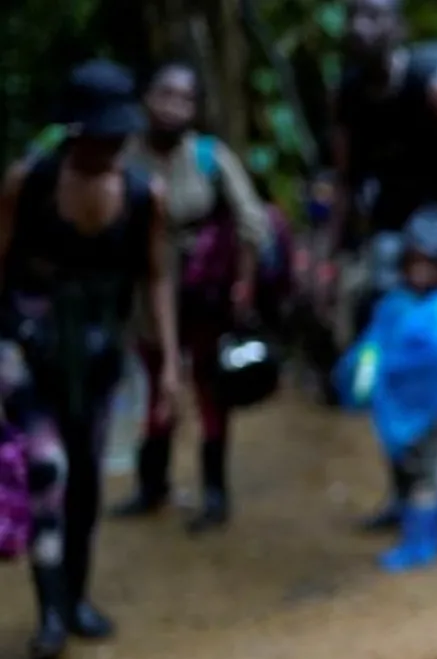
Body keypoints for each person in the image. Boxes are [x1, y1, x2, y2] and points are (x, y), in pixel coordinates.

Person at [0, 60, 180, 659]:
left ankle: (76, 598)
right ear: (75, 132)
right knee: (46, 468)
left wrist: (169, 366)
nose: (112, 146)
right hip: (29, 351)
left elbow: (156, 277)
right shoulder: (28, 183)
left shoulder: (140, 195)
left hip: (101, 356)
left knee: (85, 481)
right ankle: (50, 614)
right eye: (101, 134)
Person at [329, 0, 437, 530]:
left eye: (375, 16)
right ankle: (405, 492)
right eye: (354, 15)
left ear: (397, 27)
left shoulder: (429, 87)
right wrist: (328, 256)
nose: (361, 27)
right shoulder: (352, 93)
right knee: (389, 365)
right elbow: (346, 180)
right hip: (389, 248)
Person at [109, 61, 272, 532]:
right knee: (157, 380)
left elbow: (252, 223)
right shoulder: (124, 156)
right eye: (165, 94)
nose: (173, 106)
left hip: (205, 298)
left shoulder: (209, 156)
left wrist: (243, 285)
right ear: (145, 98)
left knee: (209, 391)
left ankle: (215, 493)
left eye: (185, 98)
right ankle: (151, 484)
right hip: (146, 294)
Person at [335, 204, 437, 571]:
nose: (421, 271)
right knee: (405, 469)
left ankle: (425, 539)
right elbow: (374, 346)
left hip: (436, 412)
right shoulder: (396, 304)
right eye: (415, 262)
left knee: (429, 476)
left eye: (430, 263)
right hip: (399, 411)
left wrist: (395, 369)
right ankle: (406, 517)